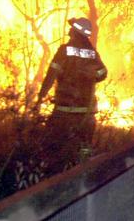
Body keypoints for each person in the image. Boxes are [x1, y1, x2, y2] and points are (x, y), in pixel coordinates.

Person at [38, 17, 107, 175]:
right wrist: (91, 75)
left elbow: (52, 73)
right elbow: (103, 73)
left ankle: (54, 178)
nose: (69, 30)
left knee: (54, 146)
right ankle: (85, 173)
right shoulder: (92, 53)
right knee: (84, 147)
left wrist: (41, 96)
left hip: (65, 110)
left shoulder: (65, 50)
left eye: (72, 28)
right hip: (87, 113)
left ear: (75, 32)